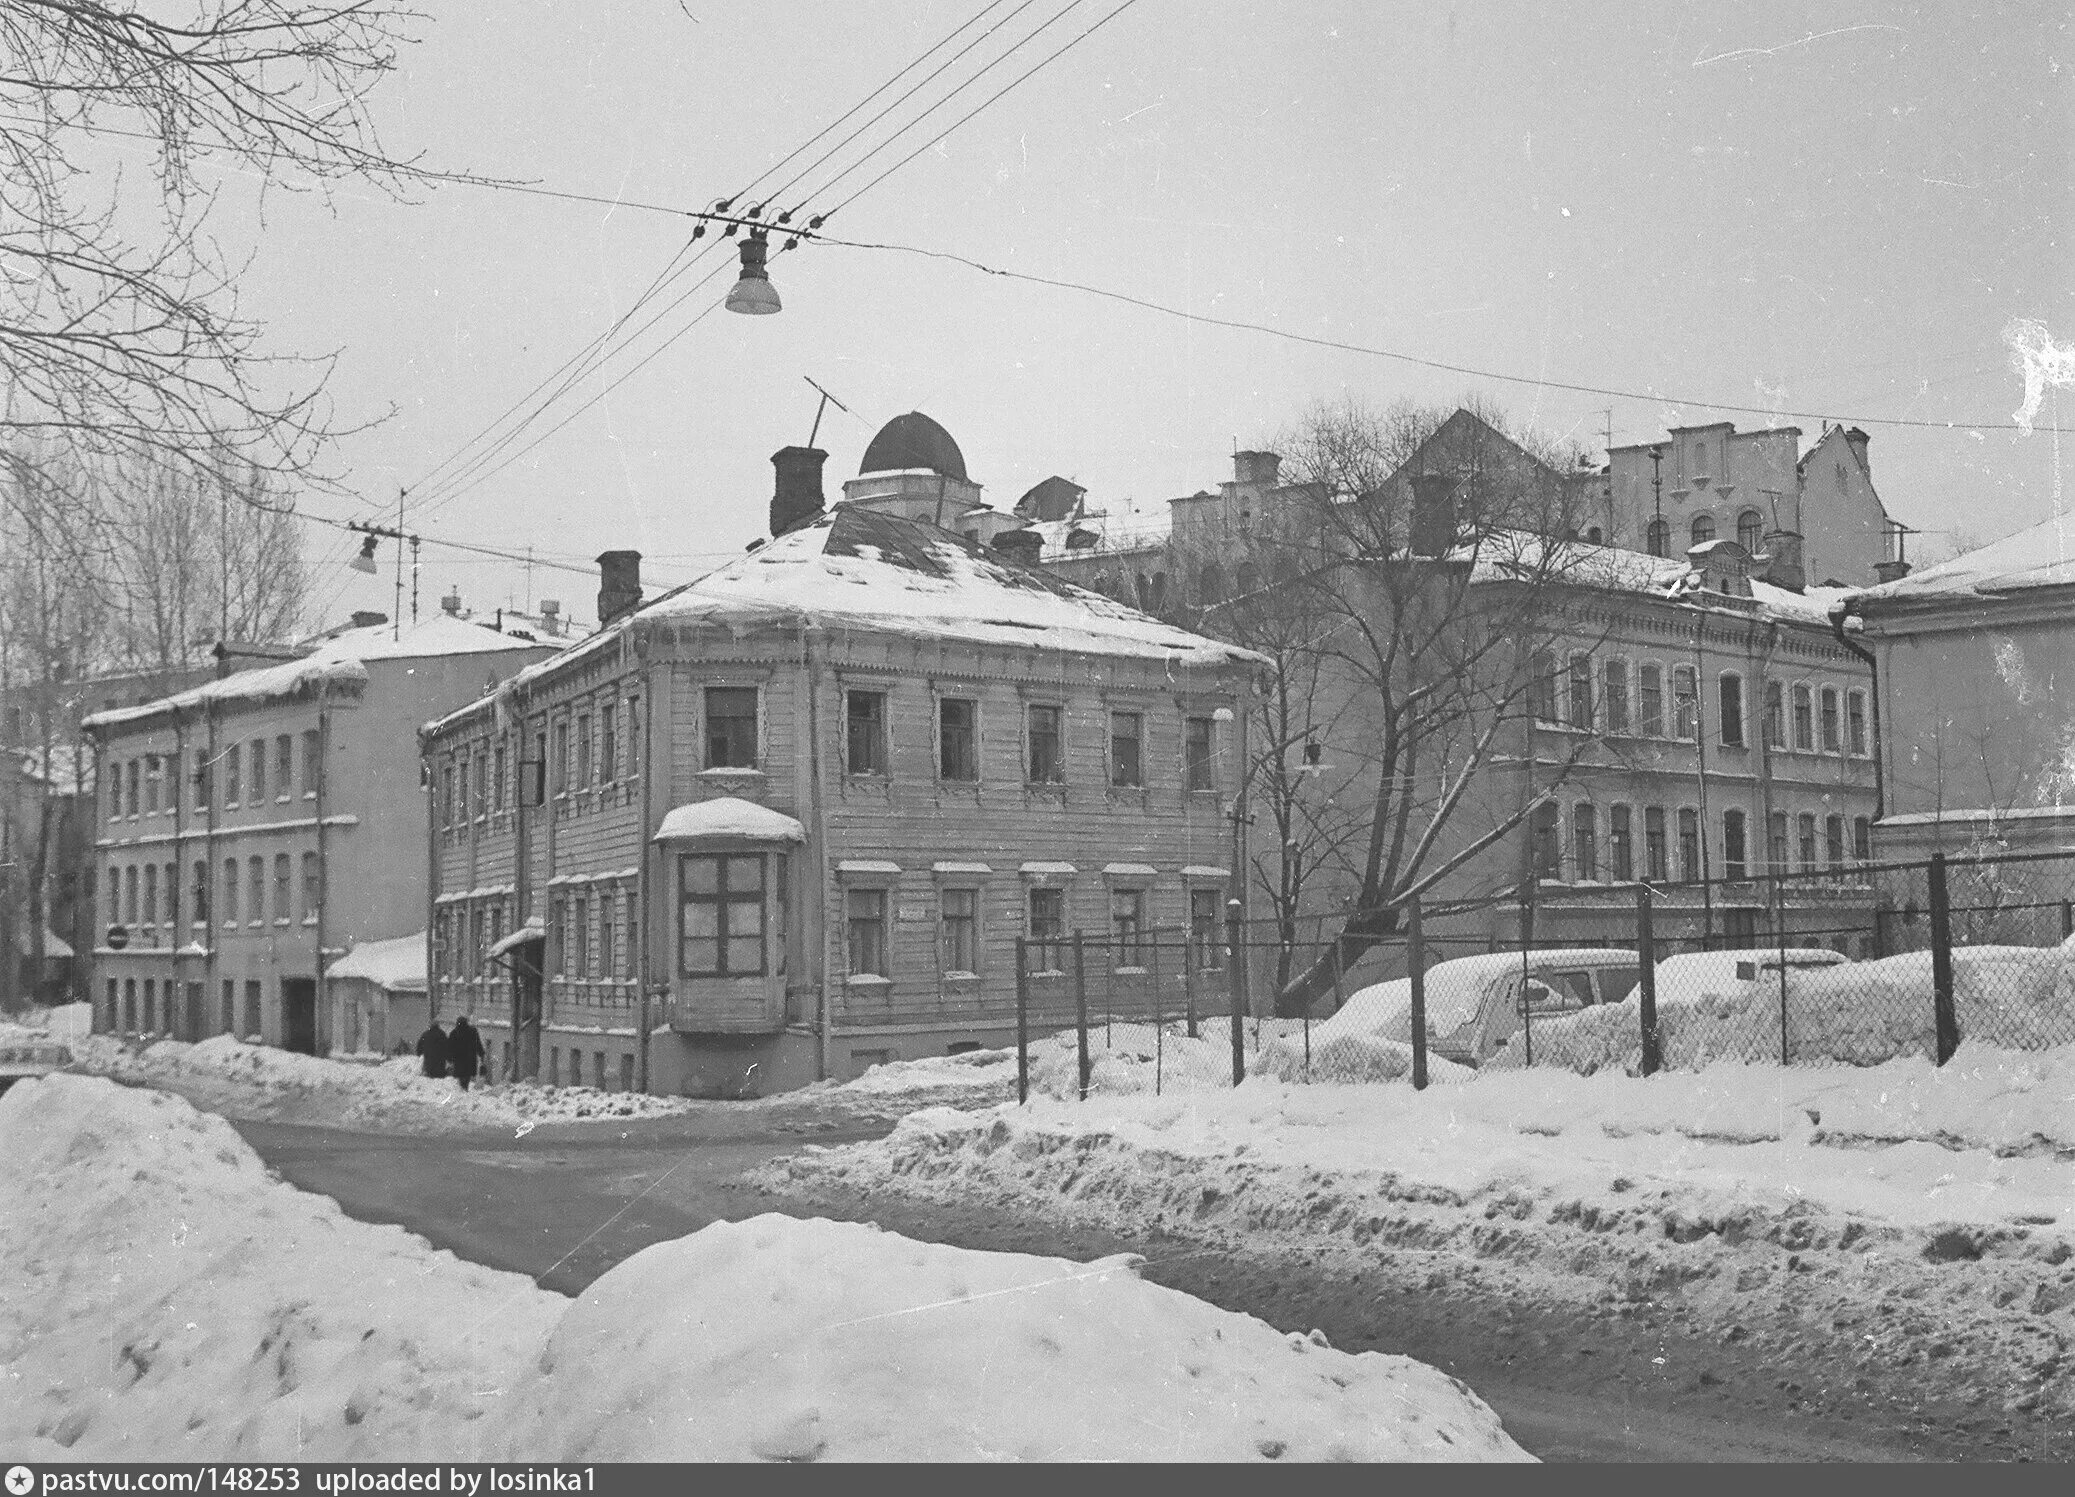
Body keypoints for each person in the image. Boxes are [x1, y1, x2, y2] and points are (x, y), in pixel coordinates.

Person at [448, 1013, 486, 1091]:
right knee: (466, 1076)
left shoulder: (454, 1033)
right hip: (470, 1059)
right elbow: (478, 1044)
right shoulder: (472, 1031)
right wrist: (481, 1054)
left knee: (461, 1076)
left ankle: (462, 1089)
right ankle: (464, 1089)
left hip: (459, 1059)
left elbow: (450, 1047)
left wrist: (449, 1059)